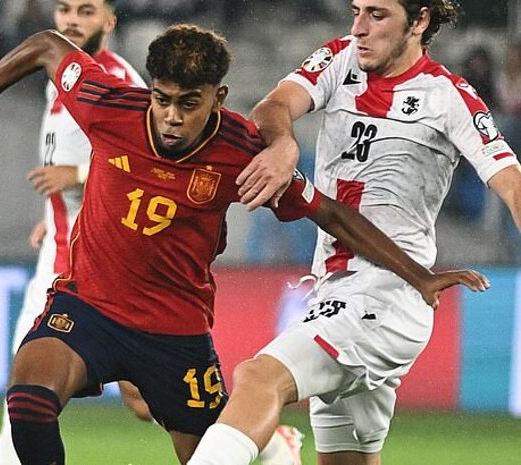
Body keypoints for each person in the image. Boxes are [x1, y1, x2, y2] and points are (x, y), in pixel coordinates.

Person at [0, 23, 488, 465]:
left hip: (174, 336)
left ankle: (274, 448)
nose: (172, 117)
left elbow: (329, 212)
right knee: (28, 399)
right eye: (162, 100)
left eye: (189, 103)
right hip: (88, 307)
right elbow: (47, 45)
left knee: (210, 453)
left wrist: (418, 274)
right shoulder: (107, 105)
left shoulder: (239, 151)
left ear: (218, 98)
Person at [188, 1, 521, 464]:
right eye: (356, 11)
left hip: (388, 293)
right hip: (335, 288)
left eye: (377, 15)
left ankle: (277, 453)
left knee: (258, 378)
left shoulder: (449, 96)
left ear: (420, 21)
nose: (359, 28)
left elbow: (512, 184)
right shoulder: (341, 56)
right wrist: (284, 144)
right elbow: (274, 106)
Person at [0, 1, 152, 464]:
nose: (72, 21)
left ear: (110, 21)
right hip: (59, 257)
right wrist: (57, 211)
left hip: (106, 265)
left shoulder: (120, 84)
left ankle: (259, 440)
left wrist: (78, 176)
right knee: (25, 387)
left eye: (87, 11)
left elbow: (149, 168)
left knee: (147, 399)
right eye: (65, 9)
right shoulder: (60, 78)